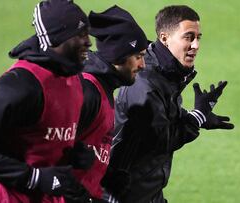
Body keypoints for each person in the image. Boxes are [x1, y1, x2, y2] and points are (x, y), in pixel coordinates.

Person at [0, 0, 95, 202]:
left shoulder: (73, 79)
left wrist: (74, 153)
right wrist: (33, 178)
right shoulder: (19, 86)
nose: (88, 42)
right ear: (57, 38)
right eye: (80, 34)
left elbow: (43, 138)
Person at [102, 5, 235, 203]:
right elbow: (161, 139)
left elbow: (160, 115)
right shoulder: (144, 82)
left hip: (147, 191)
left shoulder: (166, 72)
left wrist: (192, 115)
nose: (196, 45)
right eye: (189, 37)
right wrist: (196, 117)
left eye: (199, 37)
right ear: (164, 38)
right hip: (125, 195)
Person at [72, 5, 148, 202]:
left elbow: (89, 149)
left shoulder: (104, 88)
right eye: (138, 56)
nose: (143, 65)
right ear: (119, 56)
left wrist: (106, 175)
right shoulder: (88, 92)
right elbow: (47, 149)